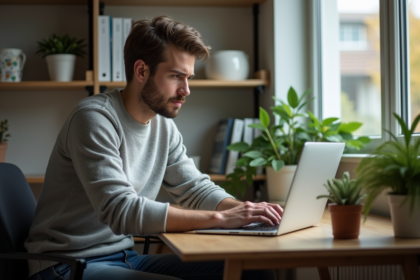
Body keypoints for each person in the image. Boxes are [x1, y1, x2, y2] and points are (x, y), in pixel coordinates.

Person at [25, 15, 283, 280]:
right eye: (176, 76)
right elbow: (121, 211)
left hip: (126, 257)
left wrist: (248, 215)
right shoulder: (94, 119)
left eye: (189, 78)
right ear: (141, 71)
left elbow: (195, 188)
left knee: (254, 272)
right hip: (66, 264)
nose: (186, 90)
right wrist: (220, 219)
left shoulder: (163, 126)